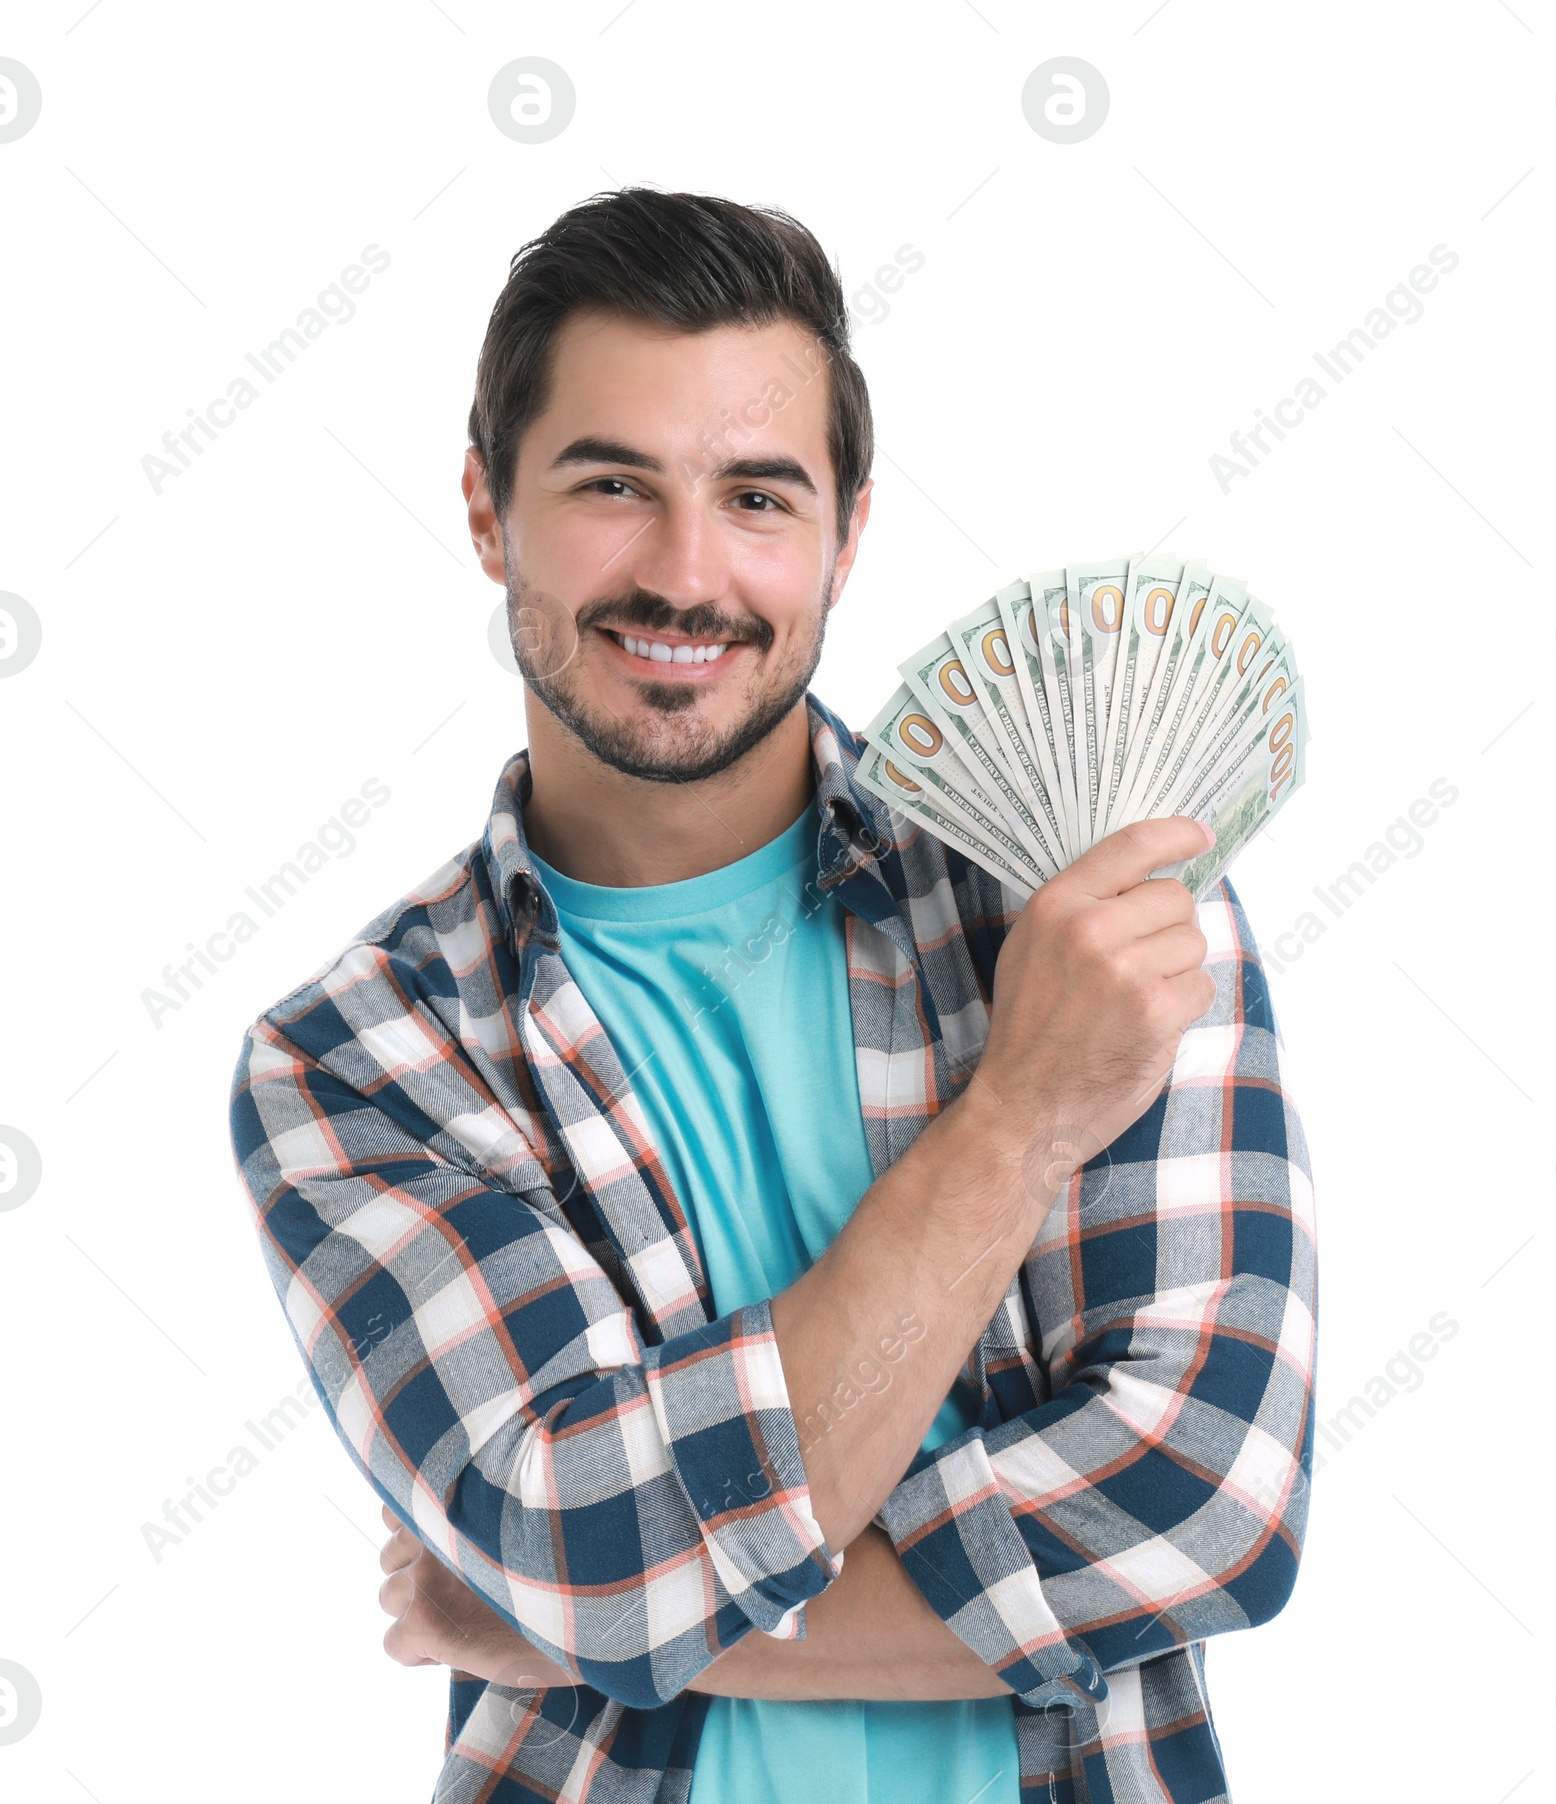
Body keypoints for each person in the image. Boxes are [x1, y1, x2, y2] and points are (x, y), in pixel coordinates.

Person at [228, 187, 1316, 1804]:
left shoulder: (1095, 908)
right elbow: (603, 1560)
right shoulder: (359, 1061)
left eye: (757, 495)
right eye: (611, 485)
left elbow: (1199, 1508)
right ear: (485, 507)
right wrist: (1016, 1121)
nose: (688, 573)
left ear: (847, 532)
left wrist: (588, 1616)